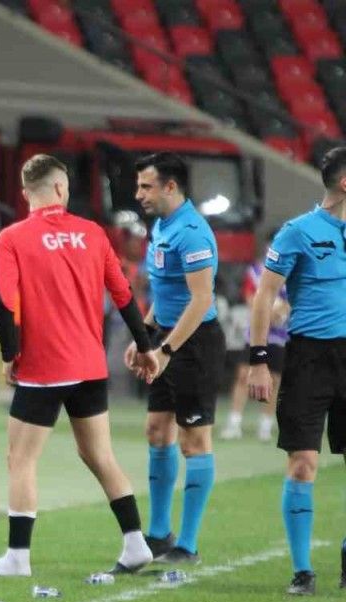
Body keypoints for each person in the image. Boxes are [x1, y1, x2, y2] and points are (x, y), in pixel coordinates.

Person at [0, 154, 158, 577]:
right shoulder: (93, 234)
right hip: (90, 366)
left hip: (44, 367)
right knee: (99, 454)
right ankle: (135, 544)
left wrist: (9, 355)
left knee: (20, 459)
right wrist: (145, 345)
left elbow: (3, 303)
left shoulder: (13, 237)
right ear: (61, 188)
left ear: (26, 194)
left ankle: (17, 558)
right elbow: (124, 294)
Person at [248, 146, 346, 596]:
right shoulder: (296, 232)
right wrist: (259, 360)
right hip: (309, 358)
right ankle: (303, 570)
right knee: (303, 463)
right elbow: (265, 296)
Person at [124, 152, 225, 566]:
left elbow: (200, 300)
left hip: (195, 343)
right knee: (155, 431)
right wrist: (144, 334)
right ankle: (159, 535)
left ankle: (188, 543)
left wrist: (165, 351)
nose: (138, 195)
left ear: (170, 186)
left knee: (193, 439)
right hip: (164, 337)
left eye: (146, 186)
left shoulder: (193, 233)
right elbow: (166, 295)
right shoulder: (160, 228)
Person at [222, 240, 290, 441]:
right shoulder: (255, 271)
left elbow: (291, 300)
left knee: (275, 379)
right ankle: (234, 423)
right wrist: (264, 314)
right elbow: (251, 297)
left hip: (279, 336)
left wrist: (278, 312)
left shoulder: (290, 272)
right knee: (243, 375)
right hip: (254, 334)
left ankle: (265, 426)